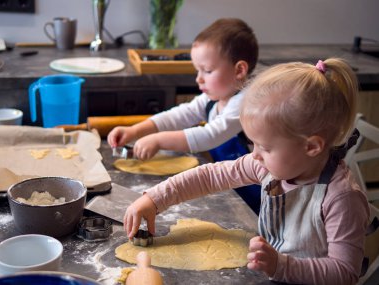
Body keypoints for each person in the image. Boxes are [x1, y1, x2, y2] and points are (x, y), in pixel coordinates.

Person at [123, 58, 370, 285]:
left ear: (312, 146)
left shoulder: (341, 198)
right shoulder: (268, 166)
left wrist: (280, 265)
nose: (254, 155)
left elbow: (344, 273)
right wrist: (154, 199)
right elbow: (209, 176)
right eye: (253, 144)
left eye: (265, 147)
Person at [108, 18, 261, 213]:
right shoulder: (213, 98)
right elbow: (180, 114)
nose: (198, 78)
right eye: (198, 70)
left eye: (207, 70)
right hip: (231, 187)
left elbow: (210, 135)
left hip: (257, 195)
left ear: (239, 70)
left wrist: (158, 140)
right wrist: (135, 130)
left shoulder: (247, 103)